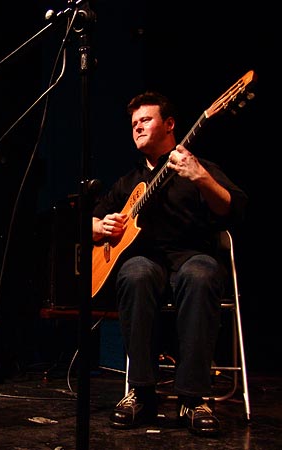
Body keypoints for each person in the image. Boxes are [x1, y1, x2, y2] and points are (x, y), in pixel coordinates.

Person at [92, 91, 247, 436]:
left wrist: (200, 177)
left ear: (170, 125)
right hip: (148, 262)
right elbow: (89, 220)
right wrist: (99, 226)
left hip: (192, 255)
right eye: (133, 123)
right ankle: (143, 393)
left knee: (201, 273)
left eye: (145, 119)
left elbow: (234, 208)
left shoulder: (196, 166)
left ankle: (193, 399)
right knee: (135, 273)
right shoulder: (128, 183)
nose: (137, 127)